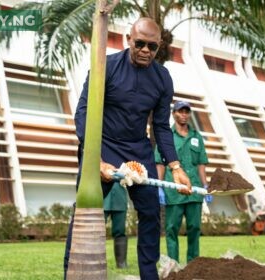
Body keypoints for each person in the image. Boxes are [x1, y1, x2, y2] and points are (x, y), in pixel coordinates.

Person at [64, 17, 192, 280]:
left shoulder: (162, 79)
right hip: (103, 146)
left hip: (138, 151)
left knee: (150, 213)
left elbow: (160, 126)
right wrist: (95, 160)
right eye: (140, 44)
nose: (146, 50)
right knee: (85, 212)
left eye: (152, 47)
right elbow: (83, 112)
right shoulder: (105, 67)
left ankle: (149, 276)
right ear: (129, 40)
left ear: (159, 47)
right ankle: (72, 273)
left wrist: (175, 167)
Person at [155, 100, 209, 263]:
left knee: (194, 228)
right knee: (171, 229)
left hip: (194, 191)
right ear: (174, 114)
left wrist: (205, 185)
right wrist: (160, 187)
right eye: (180, 111)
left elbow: (201, 164)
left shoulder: (197, 137)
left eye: (187, 111)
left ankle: (194, 264)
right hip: (174, 191)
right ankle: (173, 264)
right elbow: (160, 163)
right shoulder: (166, 136)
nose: (184, 115)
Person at [104, 182, 129, 268]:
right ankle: (95, 260)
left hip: (119, 196)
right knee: (97, 232)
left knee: (120, 230)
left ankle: (121, 262)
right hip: (102, 196)